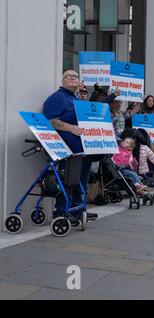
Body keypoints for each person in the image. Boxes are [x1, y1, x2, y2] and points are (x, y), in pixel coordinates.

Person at [43, 70, 98, 222]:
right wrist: (71, 128)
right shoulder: (57, 98)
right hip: (68, 147)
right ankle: (62, 210)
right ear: (62, 80)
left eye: (76, 76)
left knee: (81, 179)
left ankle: (79, 208)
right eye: (70, 76)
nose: (74, 78)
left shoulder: (76, 99)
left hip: (83, 148)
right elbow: (51, 121)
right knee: (67, 178)